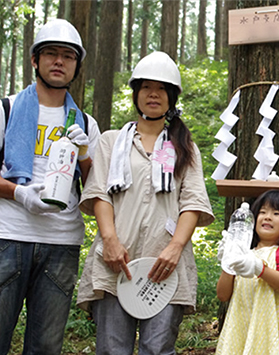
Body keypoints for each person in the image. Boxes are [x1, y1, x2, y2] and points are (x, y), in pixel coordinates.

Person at [76, 51, 214, 354]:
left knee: (158, 348)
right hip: (116, 263)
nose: (154, 94)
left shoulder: (183, 145)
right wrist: (109, 240)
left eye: (162, 88)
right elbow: (100, 193)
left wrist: (175, 248)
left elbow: (192, 202)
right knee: (112, 348)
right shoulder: (112, 141)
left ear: (172, 97)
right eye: (146, 87)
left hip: (166, 266)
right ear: (136, 93)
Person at [0, 19, 101, 354]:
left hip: (61, 242)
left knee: (45, 346)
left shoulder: (85, 123)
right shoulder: (7, 109)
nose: (59, 61)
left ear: (76, 65)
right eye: (51, 53)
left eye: (68, 56)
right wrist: (19, 193)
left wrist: (85, 154)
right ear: (34, 60)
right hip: (8, 235)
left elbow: (95, 190)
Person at [216, 190, 279, 354]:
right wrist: (227, 261)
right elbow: (223, 295)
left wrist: (259, 268)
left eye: (276, 213)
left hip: (273, 327)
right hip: (241, 324)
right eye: (262, 212)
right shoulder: (244, 255)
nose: (267, 217)